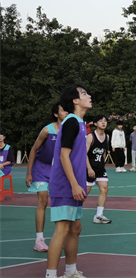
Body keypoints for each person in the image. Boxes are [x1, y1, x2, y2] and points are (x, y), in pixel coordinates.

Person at [46, 84, 92, 278]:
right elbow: (64, 156)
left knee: (75, 228)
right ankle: (50, 275)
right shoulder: (71, 122)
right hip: (65, 185)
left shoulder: (80, 123)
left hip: (75, 184)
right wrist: (74, 184)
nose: (89, 96)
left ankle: (71, 271)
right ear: (75, 100)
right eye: (84, 93)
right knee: (62, 228)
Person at [25, 101, 68, 252]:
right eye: (63, 110)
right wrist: (29, 173)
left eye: (68, 110)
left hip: (59, 170)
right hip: (41, 169)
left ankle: (60, 238)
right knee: (43, 200)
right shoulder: (47, 130)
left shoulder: (70, 131)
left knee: (60, 203)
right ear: (56, 114)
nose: (66, 113)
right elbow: (33, 150)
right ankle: (39, 240)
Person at [86, 115, 112, 224]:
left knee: (104, 189)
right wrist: (89, 169)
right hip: (89, 168)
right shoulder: (90, 137)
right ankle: (71, 212)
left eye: (105, 121)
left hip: (100, 168)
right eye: (100, 121)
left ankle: (99, 215)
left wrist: (102, 164)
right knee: (84, 194)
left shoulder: (107, 137)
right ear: (95, 124)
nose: (103, 122)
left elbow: (104, 151)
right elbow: (84, 154)